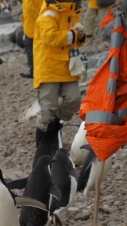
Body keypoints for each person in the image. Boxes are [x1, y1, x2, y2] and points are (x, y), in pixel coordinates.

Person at [33, 0, 85, 144]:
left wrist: (80, 37)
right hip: (49, 67)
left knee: (74, 100)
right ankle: (43, 145)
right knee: (47, 109)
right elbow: (50, 37)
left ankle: (54, 124)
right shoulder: (49, 12)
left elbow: (74, 37)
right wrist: (74, 34)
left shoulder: (73, 10)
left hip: (68, 67)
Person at [21, 0, 42, 78]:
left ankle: (33, 71)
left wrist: (40, 18)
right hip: (40, 24)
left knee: (30, 47)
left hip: (32, 25)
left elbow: (29, 8)